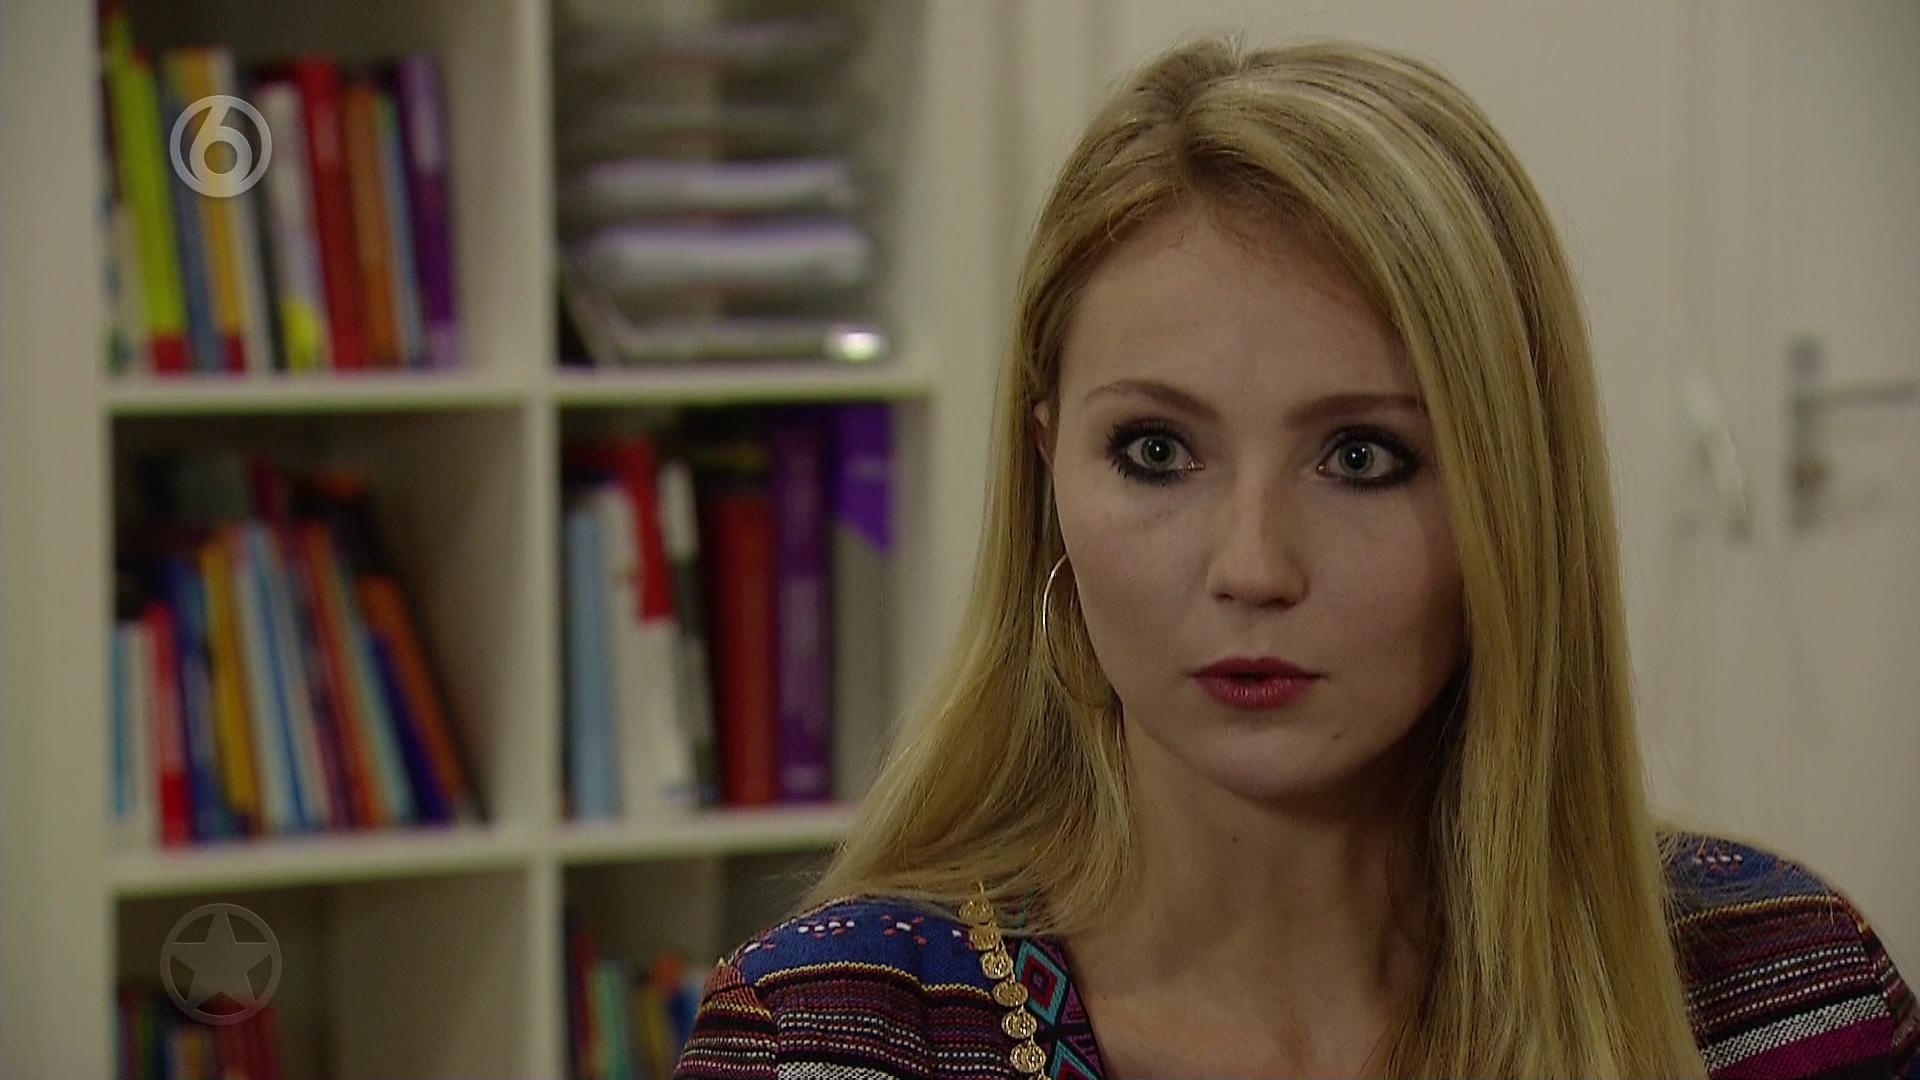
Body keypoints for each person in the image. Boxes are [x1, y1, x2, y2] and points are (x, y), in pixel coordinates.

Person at [671, 33, 1919, 1080]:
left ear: (1512, 504)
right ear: (1049, 475)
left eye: (1362, 458)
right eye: (1158, 452)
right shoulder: (835, 1041)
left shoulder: (1783, 997)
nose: (1254, 566)